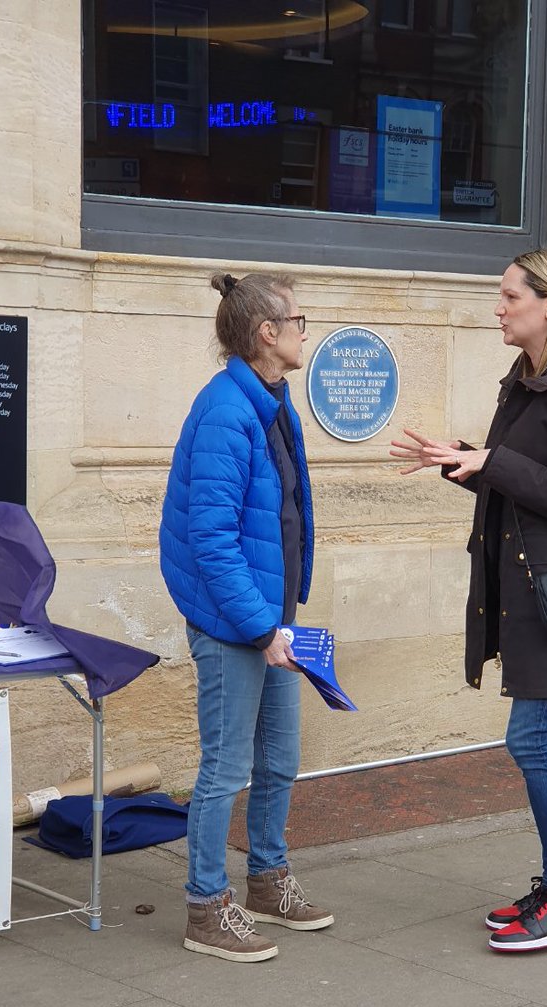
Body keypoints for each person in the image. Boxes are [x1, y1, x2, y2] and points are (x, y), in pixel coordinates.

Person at [390, 247, 547, 952]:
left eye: (509, 297)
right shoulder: (531, 378)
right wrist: (463, 460)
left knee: (532, 740)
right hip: (533, 589)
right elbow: (518, 480)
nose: (498, 308)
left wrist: (491, 461)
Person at [160, 271, 334, 963]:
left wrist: (277, 623)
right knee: (226, 768)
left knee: (280, 762)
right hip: (238, 623)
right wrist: (261, 630)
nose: (303, 332)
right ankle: (206, 907)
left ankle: (267, 881)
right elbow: (212, 539)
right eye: (298, 321)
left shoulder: (271, 399)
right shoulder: (227, 412)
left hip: (270, 618)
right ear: (267, 333)